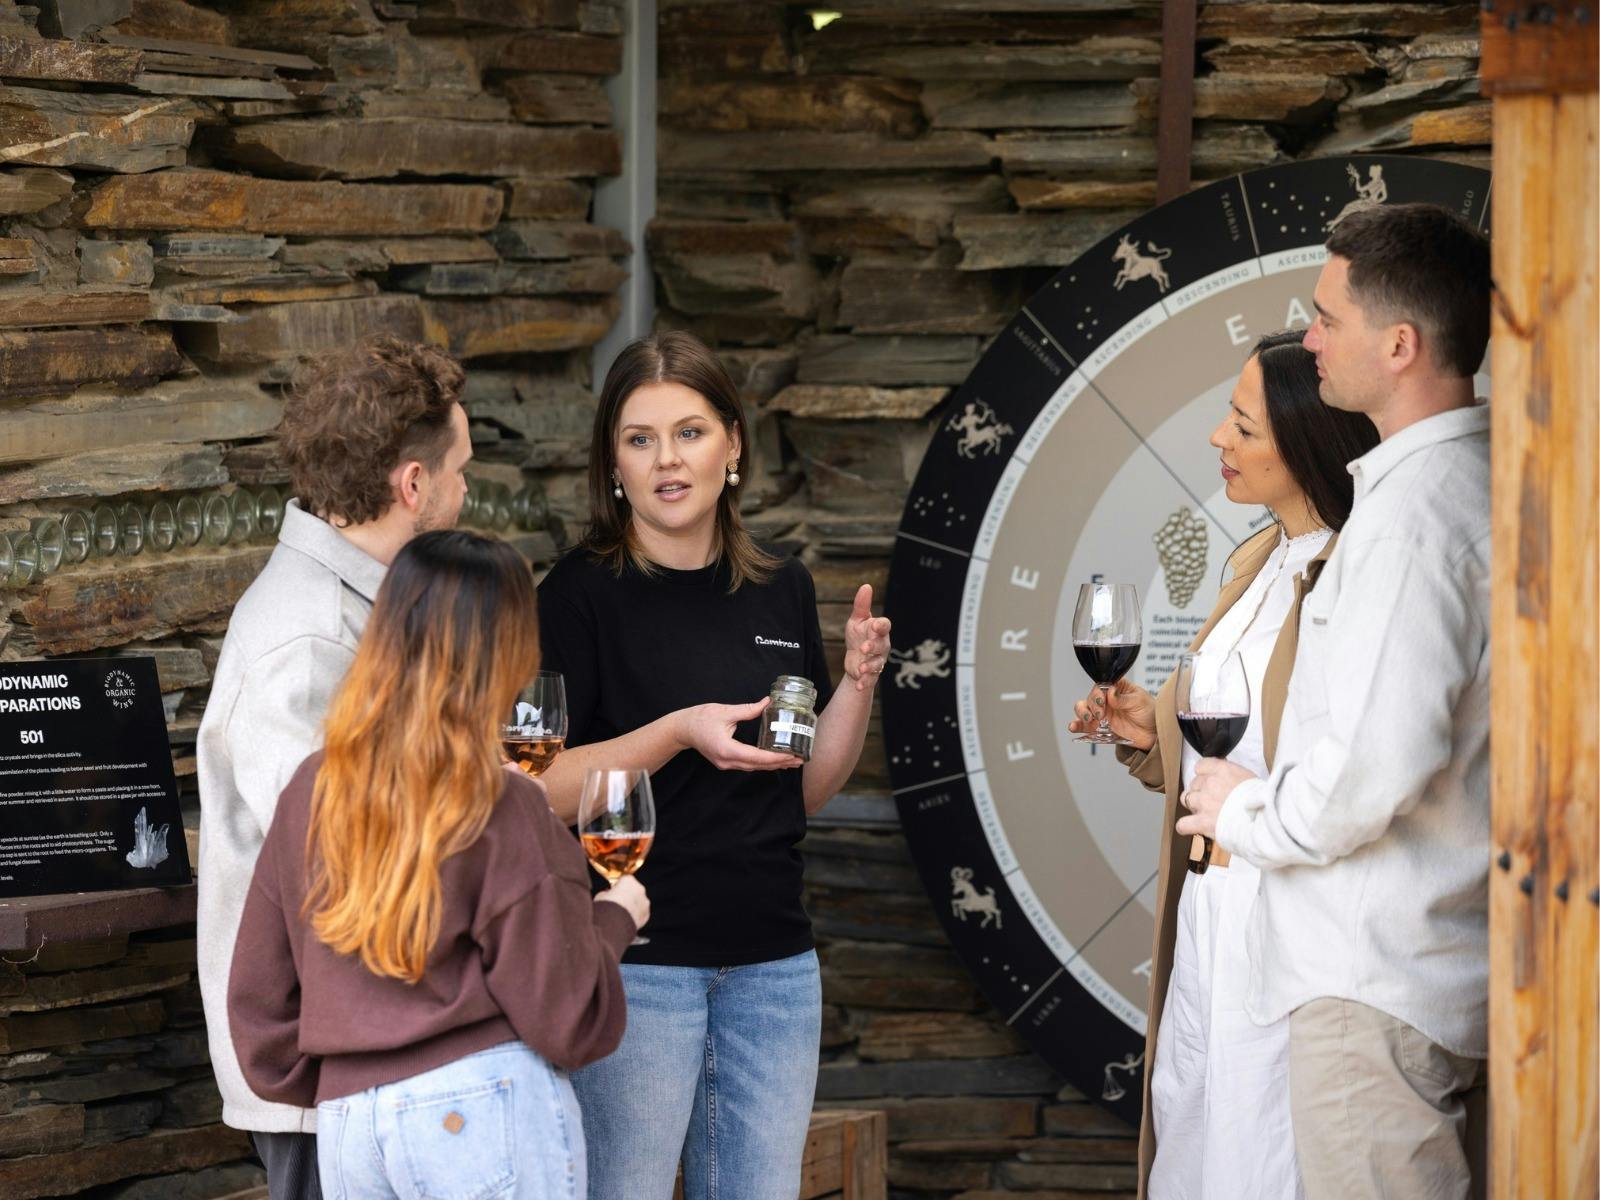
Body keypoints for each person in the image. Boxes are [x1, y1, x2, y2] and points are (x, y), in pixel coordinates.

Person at [1178, 204, 1492, 1200]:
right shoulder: (1454, 484)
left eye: (1326, 316)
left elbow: (1374, 765)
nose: (1308, 338)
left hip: (1371, 981)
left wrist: (1245, 813)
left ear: (1397, 346)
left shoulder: (1410, 514)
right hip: (1404, 970)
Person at [535, 331, 892, 1199]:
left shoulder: (783, 589)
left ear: (733, 444)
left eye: (690, 433)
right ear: (611, 462)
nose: (667, 459)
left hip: (774, 965)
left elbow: (800, 785)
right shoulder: (575, 594)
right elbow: (542, 788)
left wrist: (855, 685)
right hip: (636, 965)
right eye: (640, 437)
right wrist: (677, 731)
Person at [227, 531, 648, 1199]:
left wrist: (355, 1072)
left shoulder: (311, 788)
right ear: (508, 649)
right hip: (481, 1106)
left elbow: (259, 1004)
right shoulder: (500, 804)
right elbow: (568, 1017)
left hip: (348, 1127)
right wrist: (614, 917)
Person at [1070, 330, 1378, 1199]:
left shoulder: (1352, 571)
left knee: (1263, 1152)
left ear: (1307, 440)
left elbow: (1342, 764)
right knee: (1197, 1135)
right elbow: (1227, 740)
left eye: (1243, 425)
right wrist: (1148, 730)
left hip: (1286, 922)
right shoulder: (1257, 560)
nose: (1218, 440)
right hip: (1210, 909)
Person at [195, 339, 472, 1199]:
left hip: (374, 1049)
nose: (470, 491)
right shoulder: (307, 638)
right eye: (461, 469)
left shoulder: (375, 601)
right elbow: (338, 858)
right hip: (323, 1067)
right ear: (413, 486)